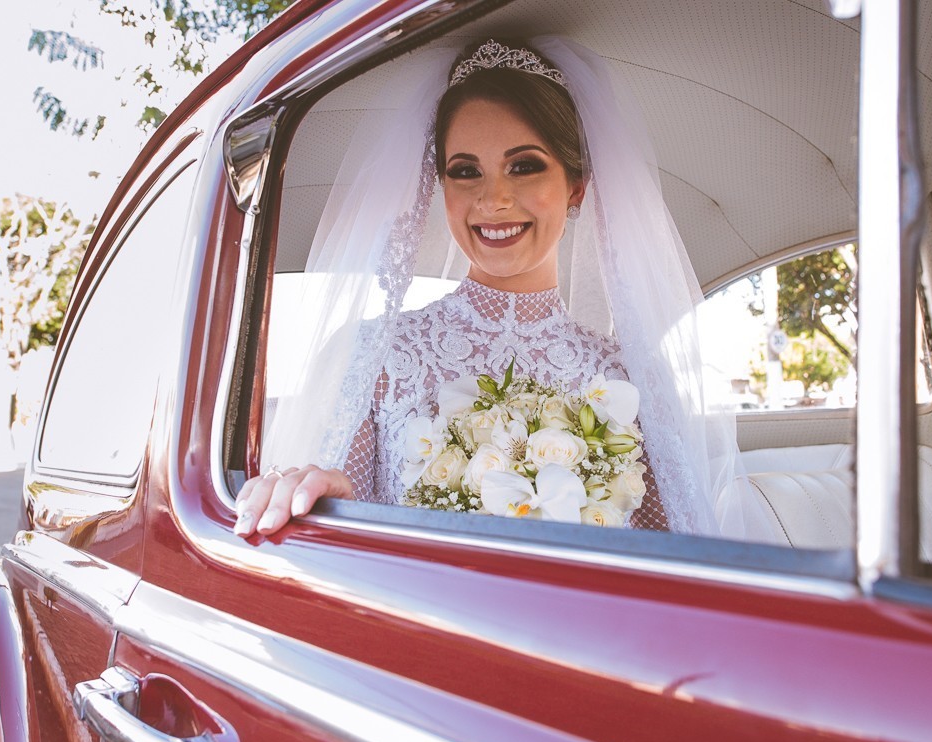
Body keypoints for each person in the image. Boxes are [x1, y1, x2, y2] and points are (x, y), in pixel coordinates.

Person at [235, 37, 770, 544]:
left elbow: (668, 558)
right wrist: (319, 501)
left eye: (524, 166)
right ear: (440, 186)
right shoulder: (379, 356)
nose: (493, 200)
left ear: (576, 186)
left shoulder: (624, 375)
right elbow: (339, 527)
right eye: (465, 170)